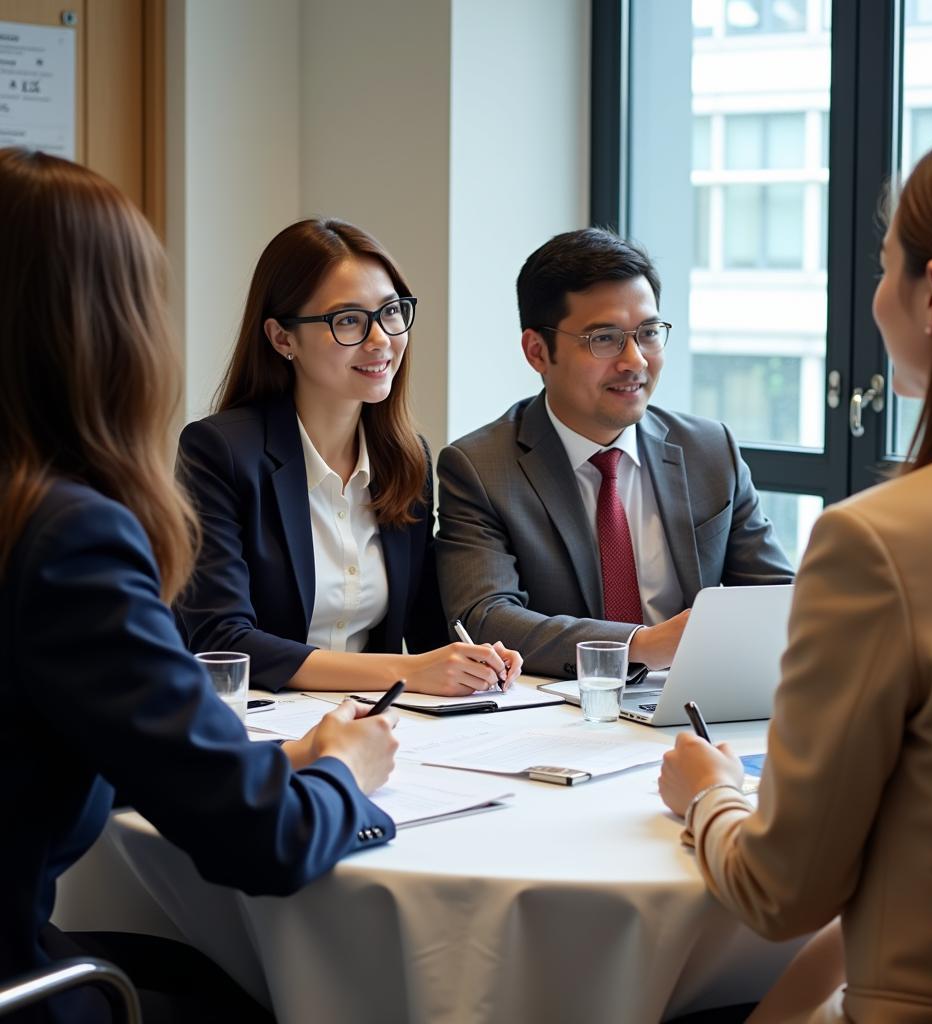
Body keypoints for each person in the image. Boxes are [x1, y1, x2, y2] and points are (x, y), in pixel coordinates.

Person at [0, 148, 400, 1024]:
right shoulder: (69, 537)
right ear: (106, 323)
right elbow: (269, 842)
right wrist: (343, 773)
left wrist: (262, 762)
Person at [658, 124, 932, 1024]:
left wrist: (709, 795)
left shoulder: (881, 542)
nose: (875, 295)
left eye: (884, 262)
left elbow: (781, 892)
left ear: (930, 292)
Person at [175, 219, 522, 695]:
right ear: (282, 339)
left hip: (372, 724)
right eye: (349, 321)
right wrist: (407, 671)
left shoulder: (406, 460)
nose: (381, 339)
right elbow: (223, 641)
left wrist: (476, 659)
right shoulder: (218, 452)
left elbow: (424, 629)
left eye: (391, 312)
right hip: (255, 731)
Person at [436, 227, 792, 678]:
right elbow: (484, 617)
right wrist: (641, 644)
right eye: (604, 338)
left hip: (692, 707)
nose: (635, 360)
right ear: (537, 352)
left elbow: (778, 598)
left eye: (648, 333)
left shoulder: (708, 450)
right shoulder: (481, 468)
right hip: (558, 717)